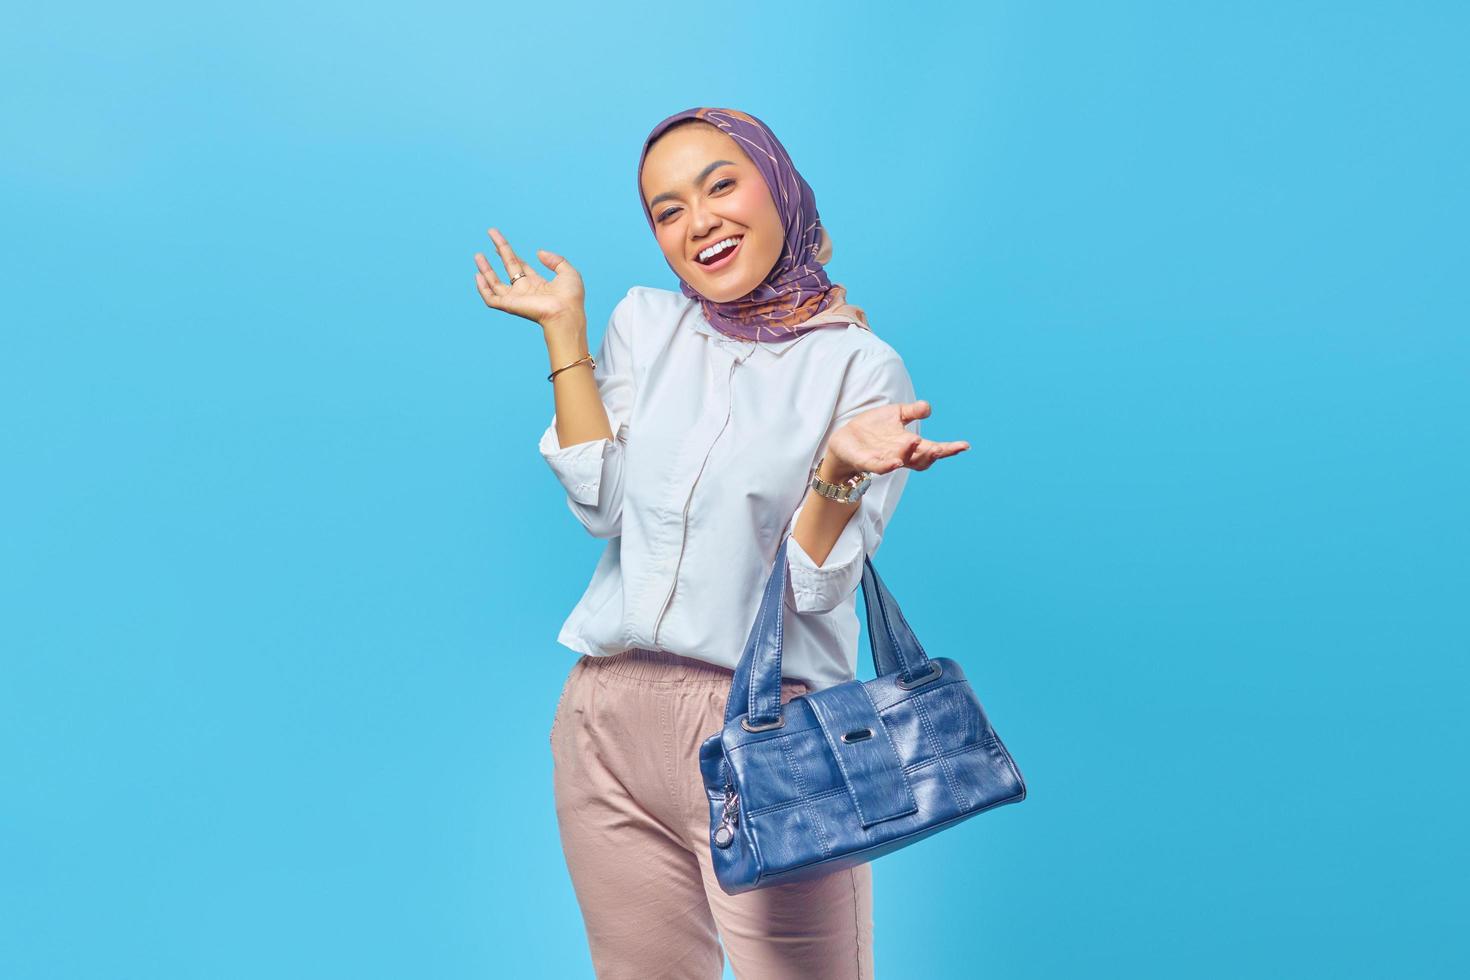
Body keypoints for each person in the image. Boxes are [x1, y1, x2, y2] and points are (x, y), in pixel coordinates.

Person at [473, 107, 969, 980]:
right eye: (667, 210)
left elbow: (817, 592)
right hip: (606, 717)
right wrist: (564, 334)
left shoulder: (859, 368)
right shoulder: (645, 324)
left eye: (720, 185)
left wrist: (839, 474)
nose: (699, 222)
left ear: (777, 187)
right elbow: (601, 502)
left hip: (770, 733)